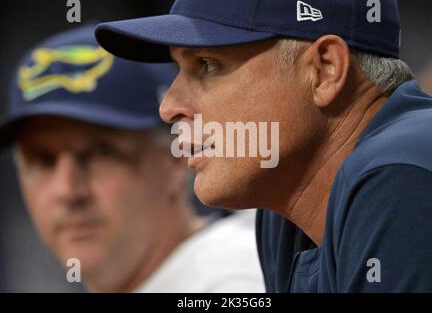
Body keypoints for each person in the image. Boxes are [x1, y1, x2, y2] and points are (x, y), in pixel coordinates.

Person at [95, 0, 432, 292]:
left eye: (207, 64)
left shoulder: (402, 174)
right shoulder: (285, 212)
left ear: (325, 70)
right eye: (178, 70)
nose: (168, 106)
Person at [0, 25, 264, 293]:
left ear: (176, 160)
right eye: (43, 160)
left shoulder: (232, 281)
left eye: (101, 153)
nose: (67, 191)